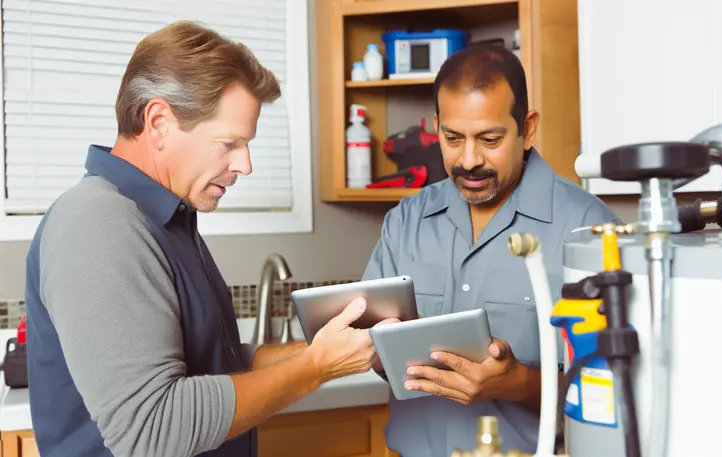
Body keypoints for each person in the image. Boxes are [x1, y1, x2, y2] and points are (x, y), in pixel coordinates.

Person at [24, 21, 392, 457]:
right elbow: (152, 429)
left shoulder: (164, 217)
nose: (245, 165)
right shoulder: (97, 222)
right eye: (228, 143)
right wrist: (316, 367)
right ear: (158, 122)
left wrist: (329, 346)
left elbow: (218, 360)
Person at [362, 44, 620, 456]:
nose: (469, 159)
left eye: (489, 139)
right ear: (436, 127)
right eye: (452, 138)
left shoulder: (587, 228)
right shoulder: (406, 220)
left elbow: (615, 387)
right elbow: (373, 348)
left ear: (528, 128)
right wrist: (373, 350)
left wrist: (517, 382)